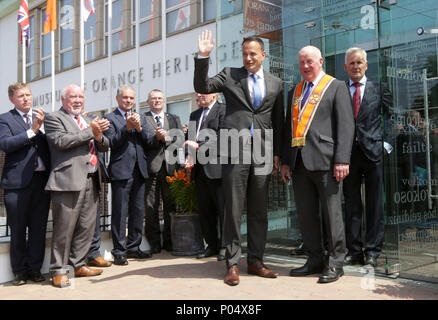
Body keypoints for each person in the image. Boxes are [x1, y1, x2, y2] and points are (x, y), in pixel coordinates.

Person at [194, 30, 284, 286]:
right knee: (233, 209)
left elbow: (278, 120)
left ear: (263, 55)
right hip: (235, 150)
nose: (248, 58)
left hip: (263, 152)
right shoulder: (229, 75)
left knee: (259, 210)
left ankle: (255, 260)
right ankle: (232, 263)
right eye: (244, 54)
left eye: (252, 54)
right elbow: (202, 86)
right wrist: (203, 57)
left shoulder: (276, 83)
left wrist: (277, 153)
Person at [281, 45, 354, 284]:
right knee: (306, 215)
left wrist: (342, 159)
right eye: (302, 62)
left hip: (327, 161)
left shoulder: (336, 86)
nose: (305, 66)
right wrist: (284, 161)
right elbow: (287, 129)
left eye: (309, 62)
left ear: (320, 61)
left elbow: (346, 126)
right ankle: (314, 259)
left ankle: (336, 262)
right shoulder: (295, 90)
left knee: (332, 215)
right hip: (299, 163)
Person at [44, 84, 110, 288]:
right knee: (64, 228)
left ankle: (79, 264)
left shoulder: (89, 120)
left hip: (92, 178)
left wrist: (99, 136)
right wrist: (91, 132)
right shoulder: (54, 118)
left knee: (86, 227)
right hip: (67, 181)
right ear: (63, 100)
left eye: (81, 96)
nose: (78, 100)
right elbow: (62, 141)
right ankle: (58, 270)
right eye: (73, 97)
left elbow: (105, 145)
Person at [343, 47, 392, 268]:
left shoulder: (379, 89)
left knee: (374, 205)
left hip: (373, 153)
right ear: (345, 67)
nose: (356, 66)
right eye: (352, 63)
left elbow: (391, 116)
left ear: (366, 65)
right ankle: (354, 251)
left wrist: (387, 144)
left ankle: (373, 251)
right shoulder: (339, 90)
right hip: (347, 157)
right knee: (352, 205)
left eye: (359, 62)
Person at [104, 85, 162, 265]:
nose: (128, 101)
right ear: (117, 98)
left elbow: (147, 141)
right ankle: (119, 251)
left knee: (138, 211)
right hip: (121, 171)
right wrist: (127, 128)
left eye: (131, 98)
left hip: (140, 170)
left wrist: (156, 136)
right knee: (120, 212)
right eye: (125, 98)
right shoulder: (110, 118)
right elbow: (110, 143)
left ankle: (134, 247)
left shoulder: (141, 117)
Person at [0, 83, 50, 286]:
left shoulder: (42, 118)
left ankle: (35, 269)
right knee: (18, 230)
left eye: (28, 95)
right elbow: (6, 144)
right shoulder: (5, 119)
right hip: (17, 184)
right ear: (12, 99)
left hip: (41, 181)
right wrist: (32, 131)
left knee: (38, 229)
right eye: (21, 96)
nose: (26, 99)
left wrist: (43, 129)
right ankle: (19, 272)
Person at [184, 92, 226, 261]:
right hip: (199, 171)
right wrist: (189, 157)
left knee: (223, 210)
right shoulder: (194, 114)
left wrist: (199, 146)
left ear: (214, 95)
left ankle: (225, 246)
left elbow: (223, 137)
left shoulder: (223, 110)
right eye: (197, 94)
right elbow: (190, 139)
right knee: (205, 211)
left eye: (203, 93)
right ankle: (211, 245)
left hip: (217, 169)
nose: (198, 96)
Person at [144, 89, 183, 253]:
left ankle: (169, 241)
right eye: (153, 98)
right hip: (151, 168)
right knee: (151, 206)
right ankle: (154, 243)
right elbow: (141, 140)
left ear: (164, 100)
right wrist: (156, 138)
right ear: (148, 102)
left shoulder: (174, 118)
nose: (157, 101)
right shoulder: (143, 119)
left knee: (170, 205)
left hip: (170, 167)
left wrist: (167, 137)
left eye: (160, 98)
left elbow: (180, 139)